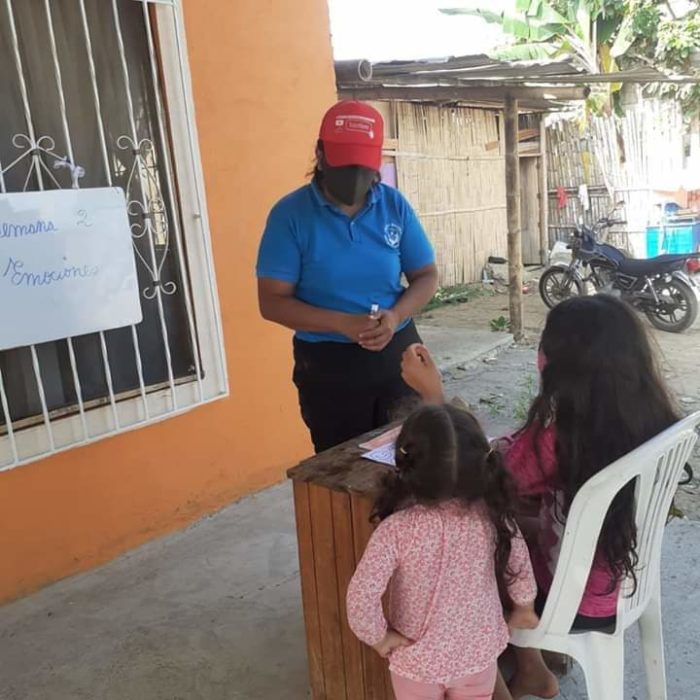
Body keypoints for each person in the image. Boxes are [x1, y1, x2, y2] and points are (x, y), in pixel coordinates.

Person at [400, 295, 680, 699]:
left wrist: (435, 399)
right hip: (619, 576)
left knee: (464, 555)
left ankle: (489, 688)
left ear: (557, 367)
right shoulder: (643, 416)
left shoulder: (559, 436)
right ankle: (533, 670)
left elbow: (481, 478)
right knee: (519, 527)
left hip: (578, 597)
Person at [256, 100, 438, 453]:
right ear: (320, 155)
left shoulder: (393, 205)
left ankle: (413, 515)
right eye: (345, 163)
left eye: (363, 165)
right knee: (344, 472)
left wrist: (396, 315)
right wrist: (341, 323)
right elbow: (271, 301)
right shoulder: (290, 215)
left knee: (416, 458)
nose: (355, 175)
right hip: (329, 365)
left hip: (398, 353)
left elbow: (426, 275)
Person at [346, 403, 539, 700]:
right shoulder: (492, 517)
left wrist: (378, 637)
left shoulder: (396, 530)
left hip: (416, 659)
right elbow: (520, 561)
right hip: (477, 654)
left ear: (407, 466)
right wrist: (524, 608)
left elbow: (361, 597)